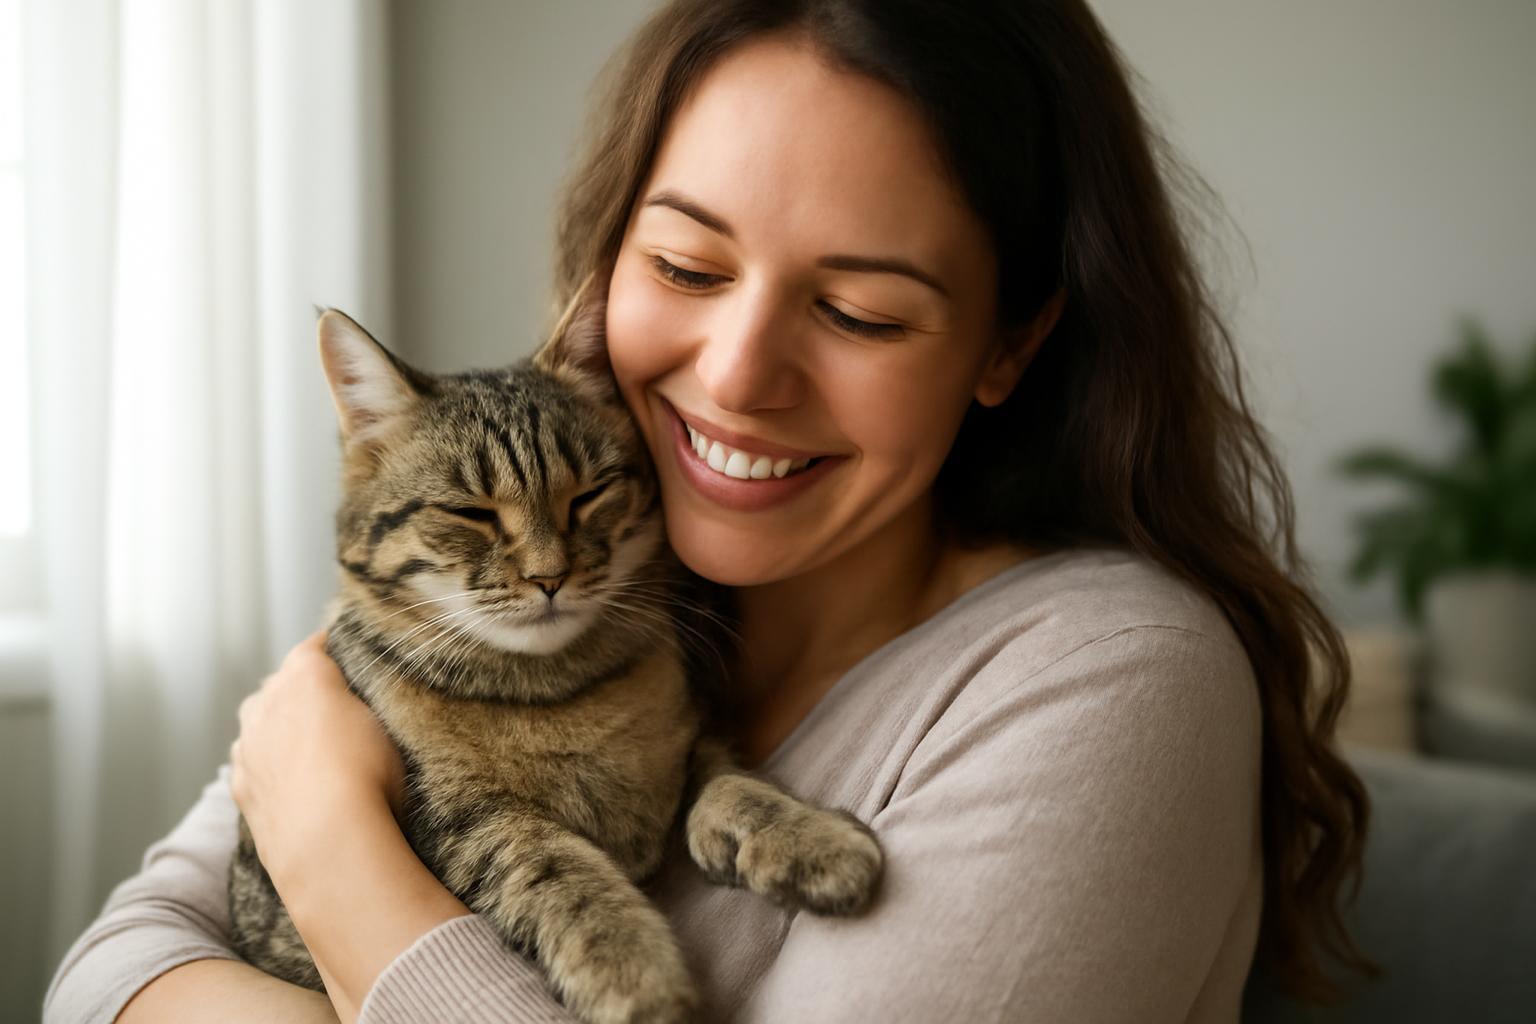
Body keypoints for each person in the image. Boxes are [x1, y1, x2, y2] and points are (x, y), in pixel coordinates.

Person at [44, 1, 1382, 1021]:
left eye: (859, 310)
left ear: (1007, 347)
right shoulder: (582, 577)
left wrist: (339, 857)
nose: (737, 377)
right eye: (685, 262)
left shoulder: (1110, 680)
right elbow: (106, 974)